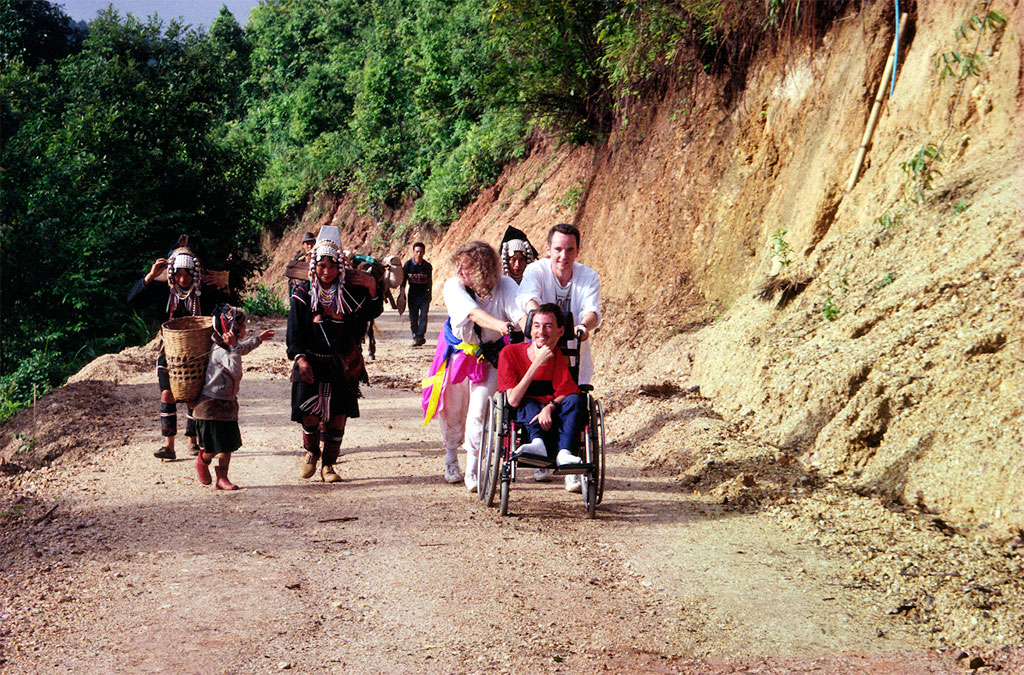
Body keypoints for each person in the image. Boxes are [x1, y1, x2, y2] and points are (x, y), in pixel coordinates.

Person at [421, 241, 524, 490]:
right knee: (453, 409)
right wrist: (500, 325)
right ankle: (450, 457)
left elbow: (517, 311)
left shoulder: (505, 285)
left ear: (481, 270)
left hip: (489, 357)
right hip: (459, 356)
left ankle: (474, 467)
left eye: (465, 267)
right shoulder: (454, 286)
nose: (459, 271)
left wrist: (528, 323)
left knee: (479, 411)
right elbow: (473, 314)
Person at [287, 226, 382, 483]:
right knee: (309, 410)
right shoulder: (302, 293)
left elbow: (371, 312)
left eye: (331, 266)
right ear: (313, 267)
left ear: (340, 267)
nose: (326, 272)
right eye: (321, 266)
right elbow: (294, 331)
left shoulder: (350, 292)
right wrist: (300, 359)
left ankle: (329, 464)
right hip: (310, 360)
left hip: (342, 363)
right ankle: (310, 452)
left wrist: (372, 287)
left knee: (338, 414)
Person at [127, 234, 230, 462]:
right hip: (170, 350)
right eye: (178, 274)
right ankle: (168, 445)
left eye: (187, 274)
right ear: (172, 274)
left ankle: (192, 439)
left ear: (195, 274)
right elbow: (133, 300)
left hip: (200, 349)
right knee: (168, 392)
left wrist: (224, 288)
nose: (183, 279)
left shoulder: (206, 290)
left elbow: (226, 313)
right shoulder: (164, 289)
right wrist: (151, 276)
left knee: (194, 395)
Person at [517, 222, 601, 492]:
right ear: (548, 249)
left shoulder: (588, 276)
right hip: (540, 350)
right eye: (558, 249)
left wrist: (582, 328)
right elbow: (529, 299)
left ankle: (569, 463)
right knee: (535, 396)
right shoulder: (535, 271)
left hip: (573, 354)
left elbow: (592, 310)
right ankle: (541, 454)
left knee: (573, 400)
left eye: (570, 250)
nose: (563, 256)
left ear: (577, 251)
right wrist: (542, 325)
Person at [193, 305, 274, 491]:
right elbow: (236, 371)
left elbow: (241, 349)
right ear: (231, 328)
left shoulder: (230, 347)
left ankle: (222, 477)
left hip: (227, 403)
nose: (245, 329)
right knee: (212, 447)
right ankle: (202, 460)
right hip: (210, 406)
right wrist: (233, 348)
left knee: (227, 444)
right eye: (242, 326)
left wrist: (258, 340)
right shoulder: (221, 350)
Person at [497, 303, 582, 467]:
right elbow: (513, 399)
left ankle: (564, 453)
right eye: (536, 326)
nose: (541, 332)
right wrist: (537, 363)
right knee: (527, 402)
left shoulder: (557, 355)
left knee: (575, 401)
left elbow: (568, 389)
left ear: (560, 331)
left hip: (549, 409)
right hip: (525, 407)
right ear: (529, 330)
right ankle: (538, 443)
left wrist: (549, 407)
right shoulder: (509, 353)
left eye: (548, 326)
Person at [402, 242, 432, 346]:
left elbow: (430, 281)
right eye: (417, 251)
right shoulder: (408, 265)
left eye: (421, 252)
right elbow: (403, 281)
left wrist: (430, 294)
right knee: (413, 317)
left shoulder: (427, 266)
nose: (419, 254)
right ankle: (415, 335)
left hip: (424, 295)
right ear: (413, 252)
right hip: (413, 295)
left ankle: (420, 336)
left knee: (423, 316)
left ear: (424, 253)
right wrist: (402, 294)